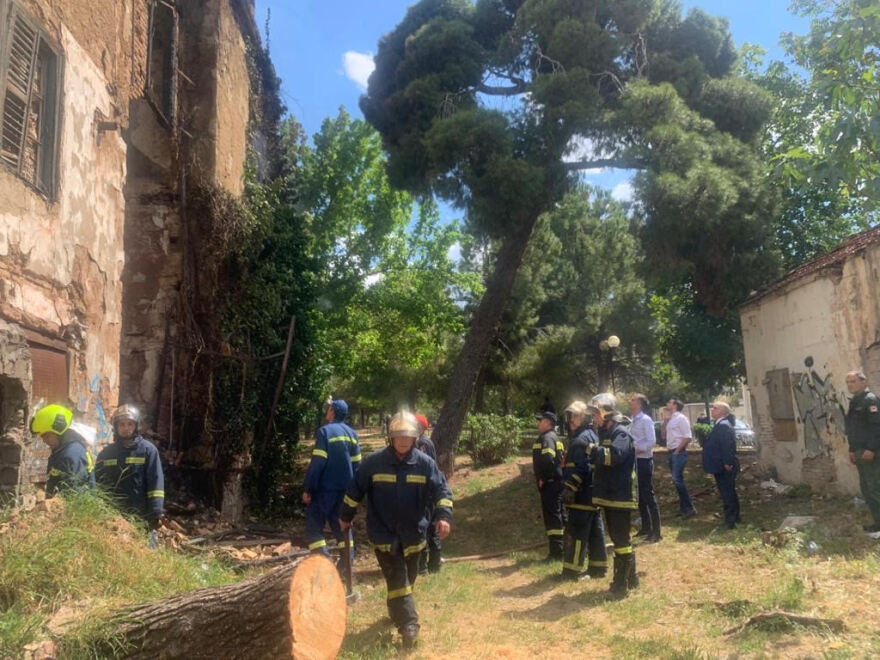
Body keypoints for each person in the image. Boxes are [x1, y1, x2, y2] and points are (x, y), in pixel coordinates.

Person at [340, 411, 452, 648]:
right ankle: (409, 625)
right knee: (399, 579)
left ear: (415, 438)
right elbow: (354, 490)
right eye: (399, 436)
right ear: (390, 437)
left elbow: (442, 491)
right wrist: (345, 516)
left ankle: (396, 612)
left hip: (414, 535)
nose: (403, 440)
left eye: (407, 436)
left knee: (406, 581)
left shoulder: (425, 464)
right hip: (384, 535)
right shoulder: (374, 463)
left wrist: (443, 517)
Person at [588, 393, 639, 599]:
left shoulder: (621, 433)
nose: (594, 419)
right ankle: (631, 579)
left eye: (596, 414)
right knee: (620, 538)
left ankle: (620, 586)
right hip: (610, 495)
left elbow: (615, 456)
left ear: (606, 413)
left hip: (620, 495)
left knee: (620, 540)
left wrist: (595, 451)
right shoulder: (607, 433)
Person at [94, 405, 163, 547]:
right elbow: (97, 483)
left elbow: (156, 483)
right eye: (122, 424)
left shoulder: (148, 451)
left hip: (141, 516)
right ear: (116, 427)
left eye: (130, 424)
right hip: (113, 516)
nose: (126, 428)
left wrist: (156, 511)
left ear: (137, 425)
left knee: (144, 553)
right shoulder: (106, 454)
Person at [302, 398, 361, 557]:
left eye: (328, 409)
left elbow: (318, 463)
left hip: (324, 491)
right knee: (342, 526)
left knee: (314, 526)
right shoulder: (352, 434)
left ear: (333, 411)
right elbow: (357, 465)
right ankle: (346, 566)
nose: (326, 411)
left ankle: (324, 563)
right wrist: (354, 493)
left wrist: (308, 488)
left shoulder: (325, 432)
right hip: (345, 492)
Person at [560, 400, 607, 581]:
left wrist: (570, 488)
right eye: (570, 416)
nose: (571, 420)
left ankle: (572, 571)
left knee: (577, 531)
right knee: (595, 531)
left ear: (584, 417)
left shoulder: (580, 439)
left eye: (575, 416)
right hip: (592, 494)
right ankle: (598, 567)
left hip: (581, 495)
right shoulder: (592, 435)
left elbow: (582, 467)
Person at [31, 404, 95, 497]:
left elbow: (73, 495)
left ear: (59, 432)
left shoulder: (71, 454)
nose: (44, 440)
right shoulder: (61, 451)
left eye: (46, 435)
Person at [844, 371, 880, 533]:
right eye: (848, 382)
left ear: (863, 382)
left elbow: (876, 427)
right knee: (866, 488)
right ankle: (877, 522)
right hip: (859, 451)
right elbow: (853, 429)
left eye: (853, 381)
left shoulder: (870, 400)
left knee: (875, 488)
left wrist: (871, 448)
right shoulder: (855, 401)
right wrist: (852, 449)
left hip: (870, 452)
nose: (850, 385)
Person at [702, 401, 740, 529]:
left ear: (723, 411)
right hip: (720, 465)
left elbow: (728, 445)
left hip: (725, 466)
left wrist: (727, 462)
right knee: (728, 492)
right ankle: (735, 517)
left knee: (727, 493)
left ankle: (730, 521)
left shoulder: (723, 425)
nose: (712, 410)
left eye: (715, 408)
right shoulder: (720, 424)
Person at [532, 410, 565, 560]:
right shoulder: (554, 437)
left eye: (541, 421)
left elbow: (548, 460)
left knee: (553, 517)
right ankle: (564, 548)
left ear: (547, 423)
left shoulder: (546, 438)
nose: (539, 423)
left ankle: (557, 552)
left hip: (551, 484)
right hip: (556, 483)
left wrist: (543, 478)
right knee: (559, 516)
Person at [629, 394, 661, 542]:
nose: (630, 402)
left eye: (633, 400)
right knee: (640, 496)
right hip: (635, 461)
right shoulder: (633, 420)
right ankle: (646, 527)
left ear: (640, 404)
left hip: (644, 461)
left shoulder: (645, 420)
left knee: (648, 495)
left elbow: (651, 441)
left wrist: (637, 450)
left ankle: (656, 531)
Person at [414, 413, 443, 574]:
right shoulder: (421, 441)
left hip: (427, 493)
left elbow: (423, 468)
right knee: (427, 529)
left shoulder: (423, 443)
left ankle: (429, 565)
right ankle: (429, 565)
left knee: (428, 529)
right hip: (425, 492)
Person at [665, 398, 696, 518]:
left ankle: (689, 507)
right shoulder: (671, 419)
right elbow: (664, 435)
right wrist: (665, 422)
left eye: (669, 402)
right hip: (671, 451)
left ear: (675, 405)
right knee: (677, 480)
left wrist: (677, 451)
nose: (667, 404)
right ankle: (684, 507)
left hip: (678, 452)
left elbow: (687, 437)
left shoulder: (681, 418)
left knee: (677, 479)